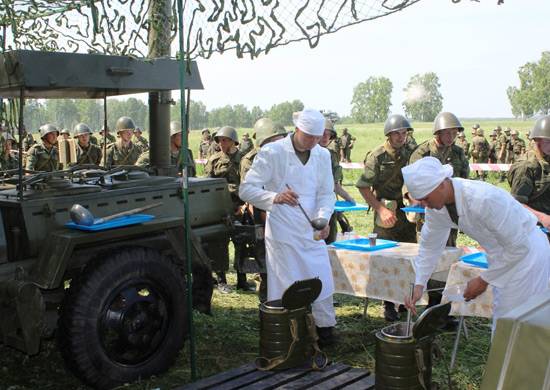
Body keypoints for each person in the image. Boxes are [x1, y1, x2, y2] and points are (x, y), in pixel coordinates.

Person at [403, 157, 550, 332]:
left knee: (517, 325)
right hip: (504, 256)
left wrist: (483, 279)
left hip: (528, 257)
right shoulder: (436, 207)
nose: (425, 205)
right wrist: (420, 284)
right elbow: (430, 247)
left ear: (441, 184)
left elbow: (519, 247)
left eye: (426, 198)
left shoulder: (483, 199)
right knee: (505, 322)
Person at [239, 108, 336, 346]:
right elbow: (246, 190)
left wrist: (323, 220)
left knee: (321, 276)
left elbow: (326, 193)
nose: (313, 142)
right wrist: (275, 198)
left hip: (312, 231)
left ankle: (325, 331)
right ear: (298, 130)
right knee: (286, 283)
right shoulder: (273, 152)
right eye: (308, 137)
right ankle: (287, 335)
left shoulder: (322, 155)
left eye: (317, 137)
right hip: (283, 230)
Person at [356, 114, 416, 321]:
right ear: (388, 135)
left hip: (408, 211)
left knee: (409, 257)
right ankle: (387, 303)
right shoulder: (377, 156)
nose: (401, 137)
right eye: (397, 134)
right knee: (385, 257)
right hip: (385, 209)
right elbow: (363, 186)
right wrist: (380, 209)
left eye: (404, 133)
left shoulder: (411, 153)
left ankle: (405, 301)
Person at [240, 118, 287, 302]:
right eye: (275, 139)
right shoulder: (251, 159)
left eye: (282, 138)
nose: (280, 142)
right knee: (268, 265)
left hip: (286, 214)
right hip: (263, 214)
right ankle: (268, 308)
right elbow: (251, 192)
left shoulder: (287, 154)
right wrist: (265, 216)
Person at [205, 126, 253, 293]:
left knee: (241, 244)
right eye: (220, 140)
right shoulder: (214, 160)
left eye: (225, 140)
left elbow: (249, 184)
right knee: (220, 244)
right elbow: (207, 185)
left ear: (233, 141)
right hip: (221, 208)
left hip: (240, 206)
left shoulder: (243, 159)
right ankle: (221, 280)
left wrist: (245, 206)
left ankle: (242, 280)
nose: (222, 143)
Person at [508, 115, 550, 234]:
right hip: (534, 230)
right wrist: (542, 218)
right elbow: (516, 205)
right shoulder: (526, 166)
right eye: (549, 141)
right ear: (537, 140)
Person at [320, 118, 355, 244]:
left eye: (329, 135)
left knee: (330, 243)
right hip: (309, 208)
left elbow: (334, 184)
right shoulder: (305, 154)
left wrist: (348, 198)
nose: (325, 137)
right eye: (323, 133)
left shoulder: (331, 155)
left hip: (328, 206)